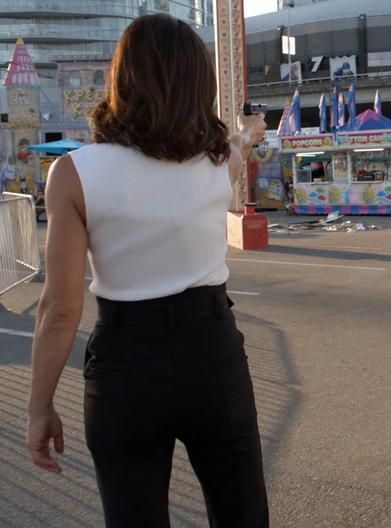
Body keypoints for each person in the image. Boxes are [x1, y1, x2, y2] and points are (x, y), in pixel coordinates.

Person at [25, 14, 269, 526]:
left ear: (122, 79)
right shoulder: (217, 156)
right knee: (241, 513)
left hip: (125, 367)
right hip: (212, 355)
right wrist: (250, 132)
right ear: (198, 84)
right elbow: (240, 146)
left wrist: (39, 406)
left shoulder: (72, 173)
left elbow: (62, 306)